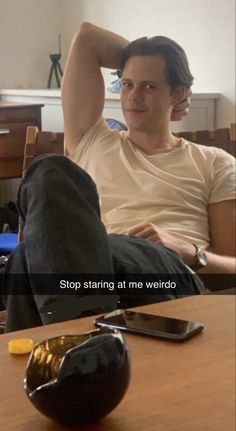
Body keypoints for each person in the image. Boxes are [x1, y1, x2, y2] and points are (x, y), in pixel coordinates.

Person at [3, 23, 235, 332]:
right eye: (127, 84)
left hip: (165, 277)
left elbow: (231, 270)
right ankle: (87, 335)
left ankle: (74, 336)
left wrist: (189, 252)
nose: (133, 96)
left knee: (29, 262)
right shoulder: (94, 140)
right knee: (48, 171)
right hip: (92, 278)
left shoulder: (214, 162)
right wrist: (143, 60)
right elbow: (86, 36)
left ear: (177, 94)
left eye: (149, 86)